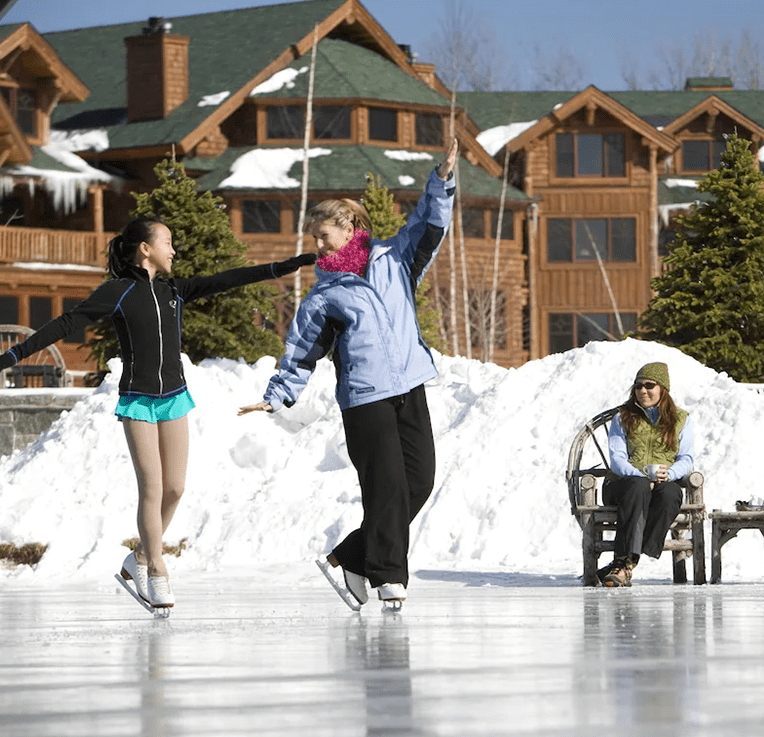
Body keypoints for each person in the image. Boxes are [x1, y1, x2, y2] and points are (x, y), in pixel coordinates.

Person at [0, 217, 315, 609]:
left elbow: (227, 279)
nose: (174, 249)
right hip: (138, 400)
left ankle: (141, 557)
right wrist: (11, 356)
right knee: (151, 487)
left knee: (176, 488)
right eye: (167, 241)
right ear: (145, 248)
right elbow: (66, 322)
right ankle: (158, 570)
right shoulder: (117, 292)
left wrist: (281, 267)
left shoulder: (173, 290)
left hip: (175, 397)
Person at [238, 140, 458, 611]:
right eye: (313, 238)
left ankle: (350, 558)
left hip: (409, 387)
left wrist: (441, 182)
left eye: (323, 236)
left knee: (419, 481)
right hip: (365, 401)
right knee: (388, 488)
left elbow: (429, 222)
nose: (316, 246)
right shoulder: (323, 297)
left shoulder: (395, 259)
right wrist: (278, 395)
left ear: (351, 227)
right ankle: (388, 577)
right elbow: (301, 352)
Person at [599, 361, 695, 588]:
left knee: (671, 494)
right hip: (622, 484)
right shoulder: (623, 417)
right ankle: (625, 563)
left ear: (663, 388)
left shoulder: (681, 419)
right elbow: (617, 459)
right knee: (638, 487)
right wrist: (641, 475)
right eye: (638, 386)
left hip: (662, 481)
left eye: (649, 385)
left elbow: (687, 459)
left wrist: (669, 474)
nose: (642, 391)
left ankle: (625, 563)